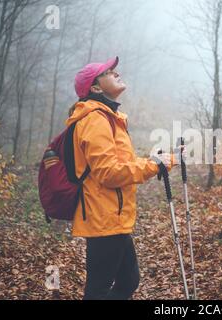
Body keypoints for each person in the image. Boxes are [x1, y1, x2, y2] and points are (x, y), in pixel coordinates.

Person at [66, 56, 176, 300]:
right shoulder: (95, 120)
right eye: (108, 72)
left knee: (127, 281)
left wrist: (158, 162)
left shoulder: (107, 117)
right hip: (104, 217)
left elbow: (120, 164)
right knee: (99, 290)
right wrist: (152, 167)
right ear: (95, 88)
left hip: (112, 217)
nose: (116, 72)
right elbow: (109, 173)